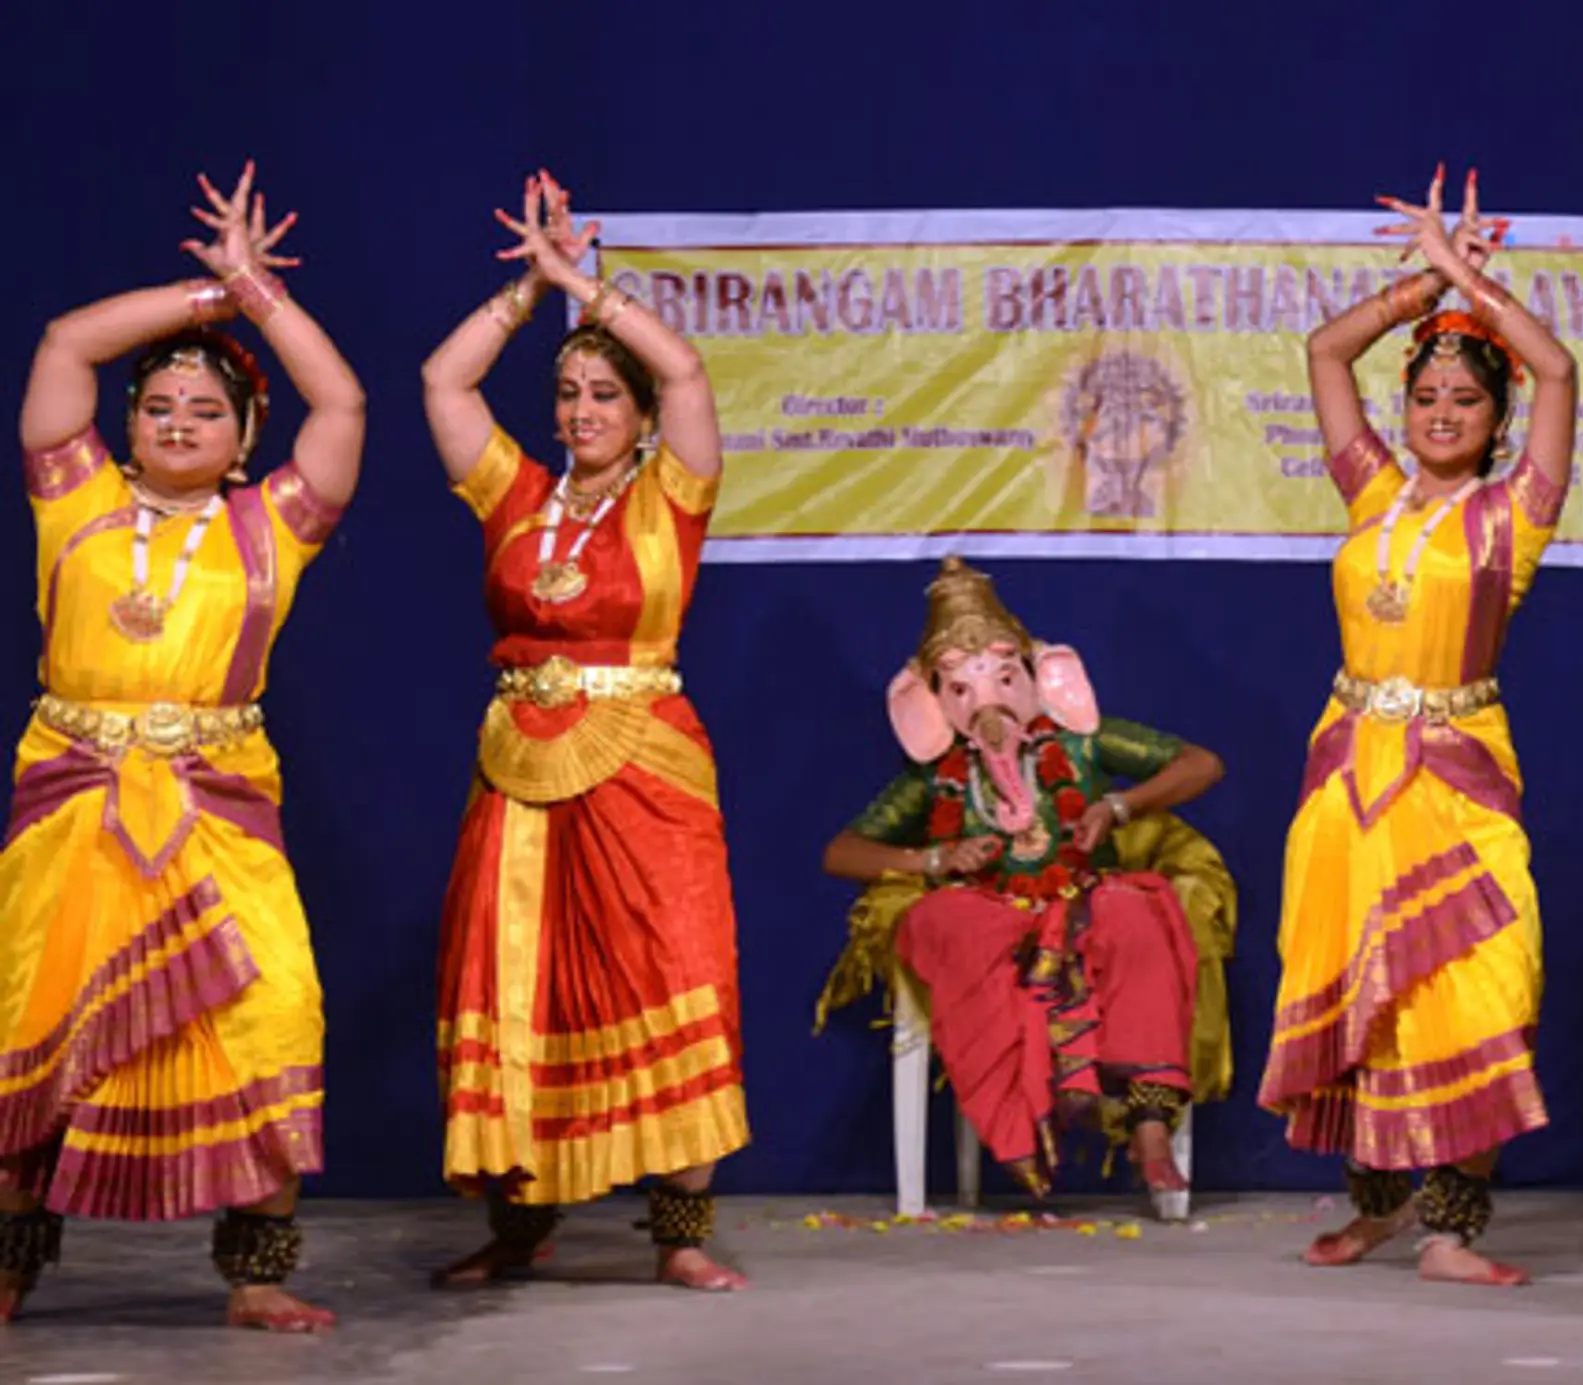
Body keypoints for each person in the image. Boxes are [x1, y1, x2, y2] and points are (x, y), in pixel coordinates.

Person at [0, 162, 363, 1331]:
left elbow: (343, 405)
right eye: (156, 405)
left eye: (205, 408)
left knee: (268, 1014)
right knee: (34, 1023)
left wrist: (258, 295)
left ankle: (255, 1273)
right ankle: (8, 1264)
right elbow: (64, 343)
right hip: (73, 795)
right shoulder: (74, 495)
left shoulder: (272, 528)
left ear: (246, 434)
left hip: (214, 800)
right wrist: (201, 301)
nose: (174, 421)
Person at [423, 172, 749, 1292]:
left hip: (645, 758)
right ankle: (520, 1226)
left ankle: (681, 1231)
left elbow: (690, 370)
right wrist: (525, 294)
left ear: (641, 414)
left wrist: (584, 287)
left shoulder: (674, 494)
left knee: (670, 963)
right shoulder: (515, 494)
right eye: (567, 393)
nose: (580, 411)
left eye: (603, 394)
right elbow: (442, 378)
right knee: (519, 977)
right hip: (517, 767)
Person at [1257, 167, 1578, 1286]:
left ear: (1495, 424)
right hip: (1347, 769)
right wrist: (1416, 299)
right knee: (1363, 988)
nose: (1440, 413)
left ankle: (1453, 1226)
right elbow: (1321, 354)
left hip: (1453, 772)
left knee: (1473, 984)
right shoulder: (1369, 493)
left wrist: (1464, 285)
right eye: (1426, 396)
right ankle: (1380, 1204)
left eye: (1465, 400)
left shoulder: (1513, 517)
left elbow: (1556, 367)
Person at [821, 557, 1226, 1197]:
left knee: (1138, 912)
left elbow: (1202, 764)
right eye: (960, 690)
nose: (988, 704)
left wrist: (1115, 807)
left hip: (1085, 899)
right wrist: (933, 861)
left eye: (1004, 678)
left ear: (1044, 678)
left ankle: (1149, 1122)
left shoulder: (1082, 745)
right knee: (943, 922)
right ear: (930, 705)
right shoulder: (937, 776)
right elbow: (841, 852)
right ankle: (1020, 1127)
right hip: (992, 910)